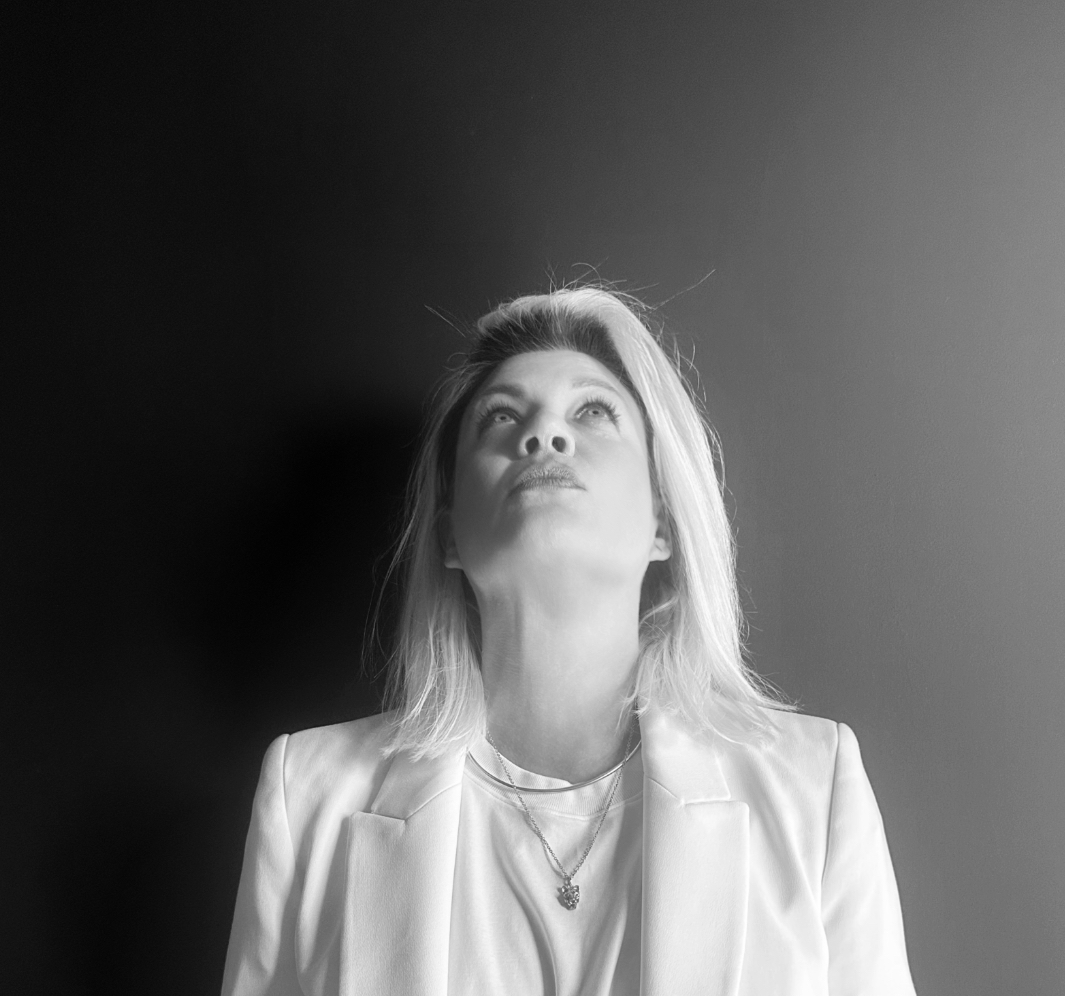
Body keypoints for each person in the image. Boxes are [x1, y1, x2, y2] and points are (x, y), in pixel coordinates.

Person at [221, 286, 918, 996]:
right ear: (449, 535)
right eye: (501, 416)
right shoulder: (309, 797)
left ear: (663, 522)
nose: (544, 435)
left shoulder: (812, 789)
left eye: (592, 411)